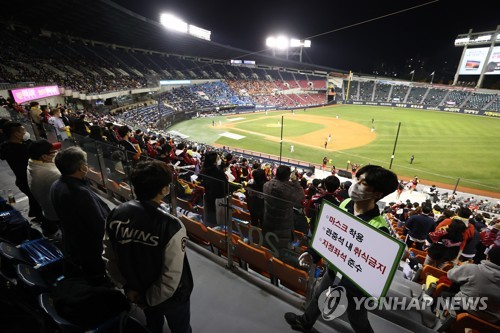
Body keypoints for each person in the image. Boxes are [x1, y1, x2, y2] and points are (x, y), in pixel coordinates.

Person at [285, 165, 398, 333]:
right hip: (333, 270)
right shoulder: (345, 203)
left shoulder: (379, 229)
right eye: (357, 179)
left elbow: (372, 271)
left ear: (377, 194)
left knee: (357, 318)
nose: (356, 185)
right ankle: (304, 322)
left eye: (363, 183)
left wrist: (347, 287)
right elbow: (331, 235)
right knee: (318, 296)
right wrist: (312, 253)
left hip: (355, 286)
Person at [103, 160, 193, 333]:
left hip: (136, 288)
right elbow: (172, 275)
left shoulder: (115, 213)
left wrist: (126, 287)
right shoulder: (172, 225)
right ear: (164, 190)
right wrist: (148, 299)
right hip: (171, 298)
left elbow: (109, 257)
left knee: (153, 325)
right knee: (180, 329)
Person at [50, 146, 111, 284]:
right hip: (91, 247)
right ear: (82, 168)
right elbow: (98, 225)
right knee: (99, 276)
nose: (87, 165)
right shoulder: (79, 192)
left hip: (74, 242)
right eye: (85, 163)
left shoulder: (56, 184)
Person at [442, 246, 500, 324]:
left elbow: (450, 274)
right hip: (490, 322)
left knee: (443, 294)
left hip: (461, 310)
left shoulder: (473, 269)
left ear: (488, 256)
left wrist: (461, 267)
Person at [0, 121, 45, 221]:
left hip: (21, 180)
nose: (25, 133)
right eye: (23, 131)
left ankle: (34, 213)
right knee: (37, 200)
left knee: (33, 199)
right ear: (16, 134)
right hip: (28, 180)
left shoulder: (6, 146)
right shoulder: (22, 149)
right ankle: (45, 224)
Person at [262, 165, 304, 252]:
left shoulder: (266, 185)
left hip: (268, 223)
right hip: (283, 227)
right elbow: (301, 196)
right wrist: (295, 181)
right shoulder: (289, 191)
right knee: (280, 252)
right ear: (288, 176)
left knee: (268, 247)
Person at [27, 139, 62, 237]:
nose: (56, 152)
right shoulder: (52, 174)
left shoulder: (32, 163)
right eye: (53, 151)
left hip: (46, 209)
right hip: (57, 213)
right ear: (44, 156)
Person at [199, 151, 227, 227]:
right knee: (217, 220)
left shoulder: (204, 169)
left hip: (208, 195)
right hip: (218, 197)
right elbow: (225, 185)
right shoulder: (218, 172)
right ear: (214, 160)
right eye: (217, 158)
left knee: (210, 215)